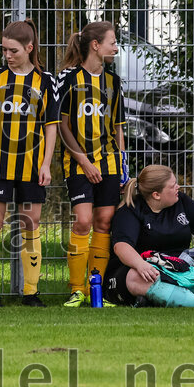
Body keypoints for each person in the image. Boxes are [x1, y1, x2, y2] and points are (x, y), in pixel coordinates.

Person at [0, 20, 59, 307]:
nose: (7, 56)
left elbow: (51, 126)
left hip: (32, 166)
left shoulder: (45, 81)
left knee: (30, 223)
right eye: (4, 50)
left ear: (29, 48)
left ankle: (31, 292)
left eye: (13, 51)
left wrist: (46, 164)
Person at [57, 21, 126, 307]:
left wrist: (122, 165)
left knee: (104, 222)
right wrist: (83, 161)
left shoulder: (113, 81)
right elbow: (61, 126)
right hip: (78, 163)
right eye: (112, 42)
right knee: (83, 220)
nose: (116, 47)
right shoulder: (68, 78)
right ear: (95, 45)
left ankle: (95, 288)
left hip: (109, 162)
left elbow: (119, 127)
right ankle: (77, 289)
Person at [104, 165, 194, 307]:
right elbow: (122, 247)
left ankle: (156, 300)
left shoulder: (182, 201)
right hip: (139, 270)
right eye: (173, 185)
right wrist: (140, 264)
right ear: (156, 195)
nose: (178, 187)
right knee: (136, 278)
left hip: (176, 269)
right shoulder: (130, 211)